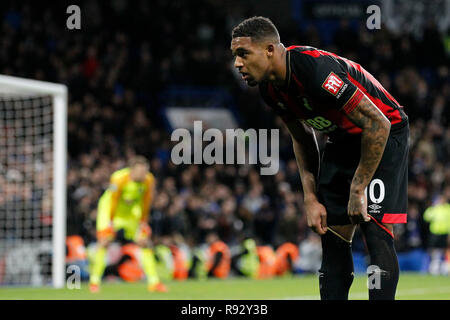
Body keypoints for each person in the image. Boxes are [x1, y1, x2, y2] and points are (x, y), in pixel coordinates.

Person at [231, 17, 409, 300]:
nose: (237, 64)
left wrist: (358, 187)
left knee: (373, 229)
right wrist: (310, 198)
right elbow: (302, 139)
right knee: (334, 237)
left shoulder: (314, 70)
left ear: (270, 50)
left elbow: (378, 124)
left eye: (243, 54)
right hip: (342, 137)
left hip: (383, 130)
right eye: (235, 56)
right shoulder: (269, 88)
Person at [89, 156, 168, 293]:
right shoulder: (118, 178)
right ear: (132, 171)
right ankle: (94, 282)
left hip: (131, 213)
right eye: (140, 172)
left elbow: (146, 202)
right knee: (104, 242)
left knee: (144, 242)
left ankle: (154, 283)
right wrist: (110, 223)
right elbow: (113, 201)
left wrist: (143, 222)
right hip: (110, 211)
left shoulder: (149, 180)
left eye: (145, 171)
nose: (143, 175)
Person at [423, 195, 450, 275]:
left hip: (445, 234)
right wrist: (433, 206)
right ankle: (434, 267)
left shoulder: (448, 209)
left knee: (445, 250)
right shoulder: (435, 208)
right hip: (435, 233)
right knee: (434, 250)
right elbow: (426, 217)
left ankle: (445, 267)